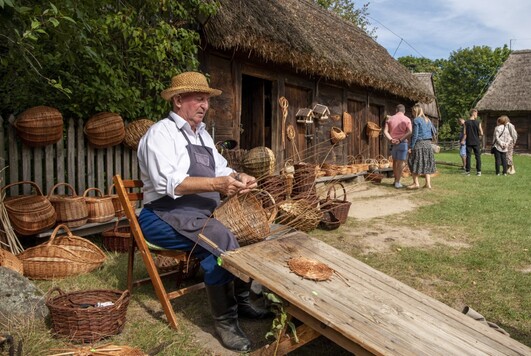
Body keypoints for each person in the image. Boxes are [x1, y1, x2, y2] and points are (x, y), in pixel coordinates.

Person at [137, 72, 270, 352]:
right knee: (218, 241)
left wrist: (239, 176)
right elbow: (168, 183)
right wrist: (217, 184)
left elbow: (222, 169)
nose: (204, 105)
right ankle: (226, 322)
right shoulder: (160, 134)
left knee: (247, 231)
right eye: (198, 98)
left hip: (201, 214)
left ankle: (244, 300)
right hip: (163, 214)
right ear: (177, 100)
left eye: (206, 99)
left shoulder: (203, 136)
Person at [407, 104, 436, 189]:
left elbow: (415, 135)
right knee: (426, 162)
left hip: (419, 144)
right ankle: (428, 184)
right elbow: (434, 131)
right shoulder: (428, 120)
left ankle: (416, 183)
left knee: (413, 161)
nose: (412, 113)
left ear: (415, 111)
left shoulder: (416, 120)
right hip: (428, 144)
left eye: (412, 111)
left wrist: (411, 147)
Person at [383, 104, 412, 188]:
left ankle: (395, 180)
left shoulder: (390, 119)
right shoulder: (407, 119)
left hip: (393, 143)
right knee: (400, 163)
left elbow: (385, 131)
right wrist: (400, 139)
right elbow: (410, 131)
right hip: (402, 143)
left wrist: (391, 139)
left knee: (395, 162)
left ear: (396, 110)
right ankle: (397, 182)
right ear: (404, 111)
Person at [462, 108, 483, 176]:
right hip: (476, 141)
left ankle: (468, 171)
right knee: (478, 157)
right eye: (476, 113)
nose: (477, 115)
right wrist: (479, 134)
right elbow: (481, 133)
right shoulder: (478, 122)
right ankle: (479, 171)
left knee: (468, 156)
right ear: (474, 113)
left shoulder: (466, 122)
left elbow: (465, 133)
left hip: (469, 141)